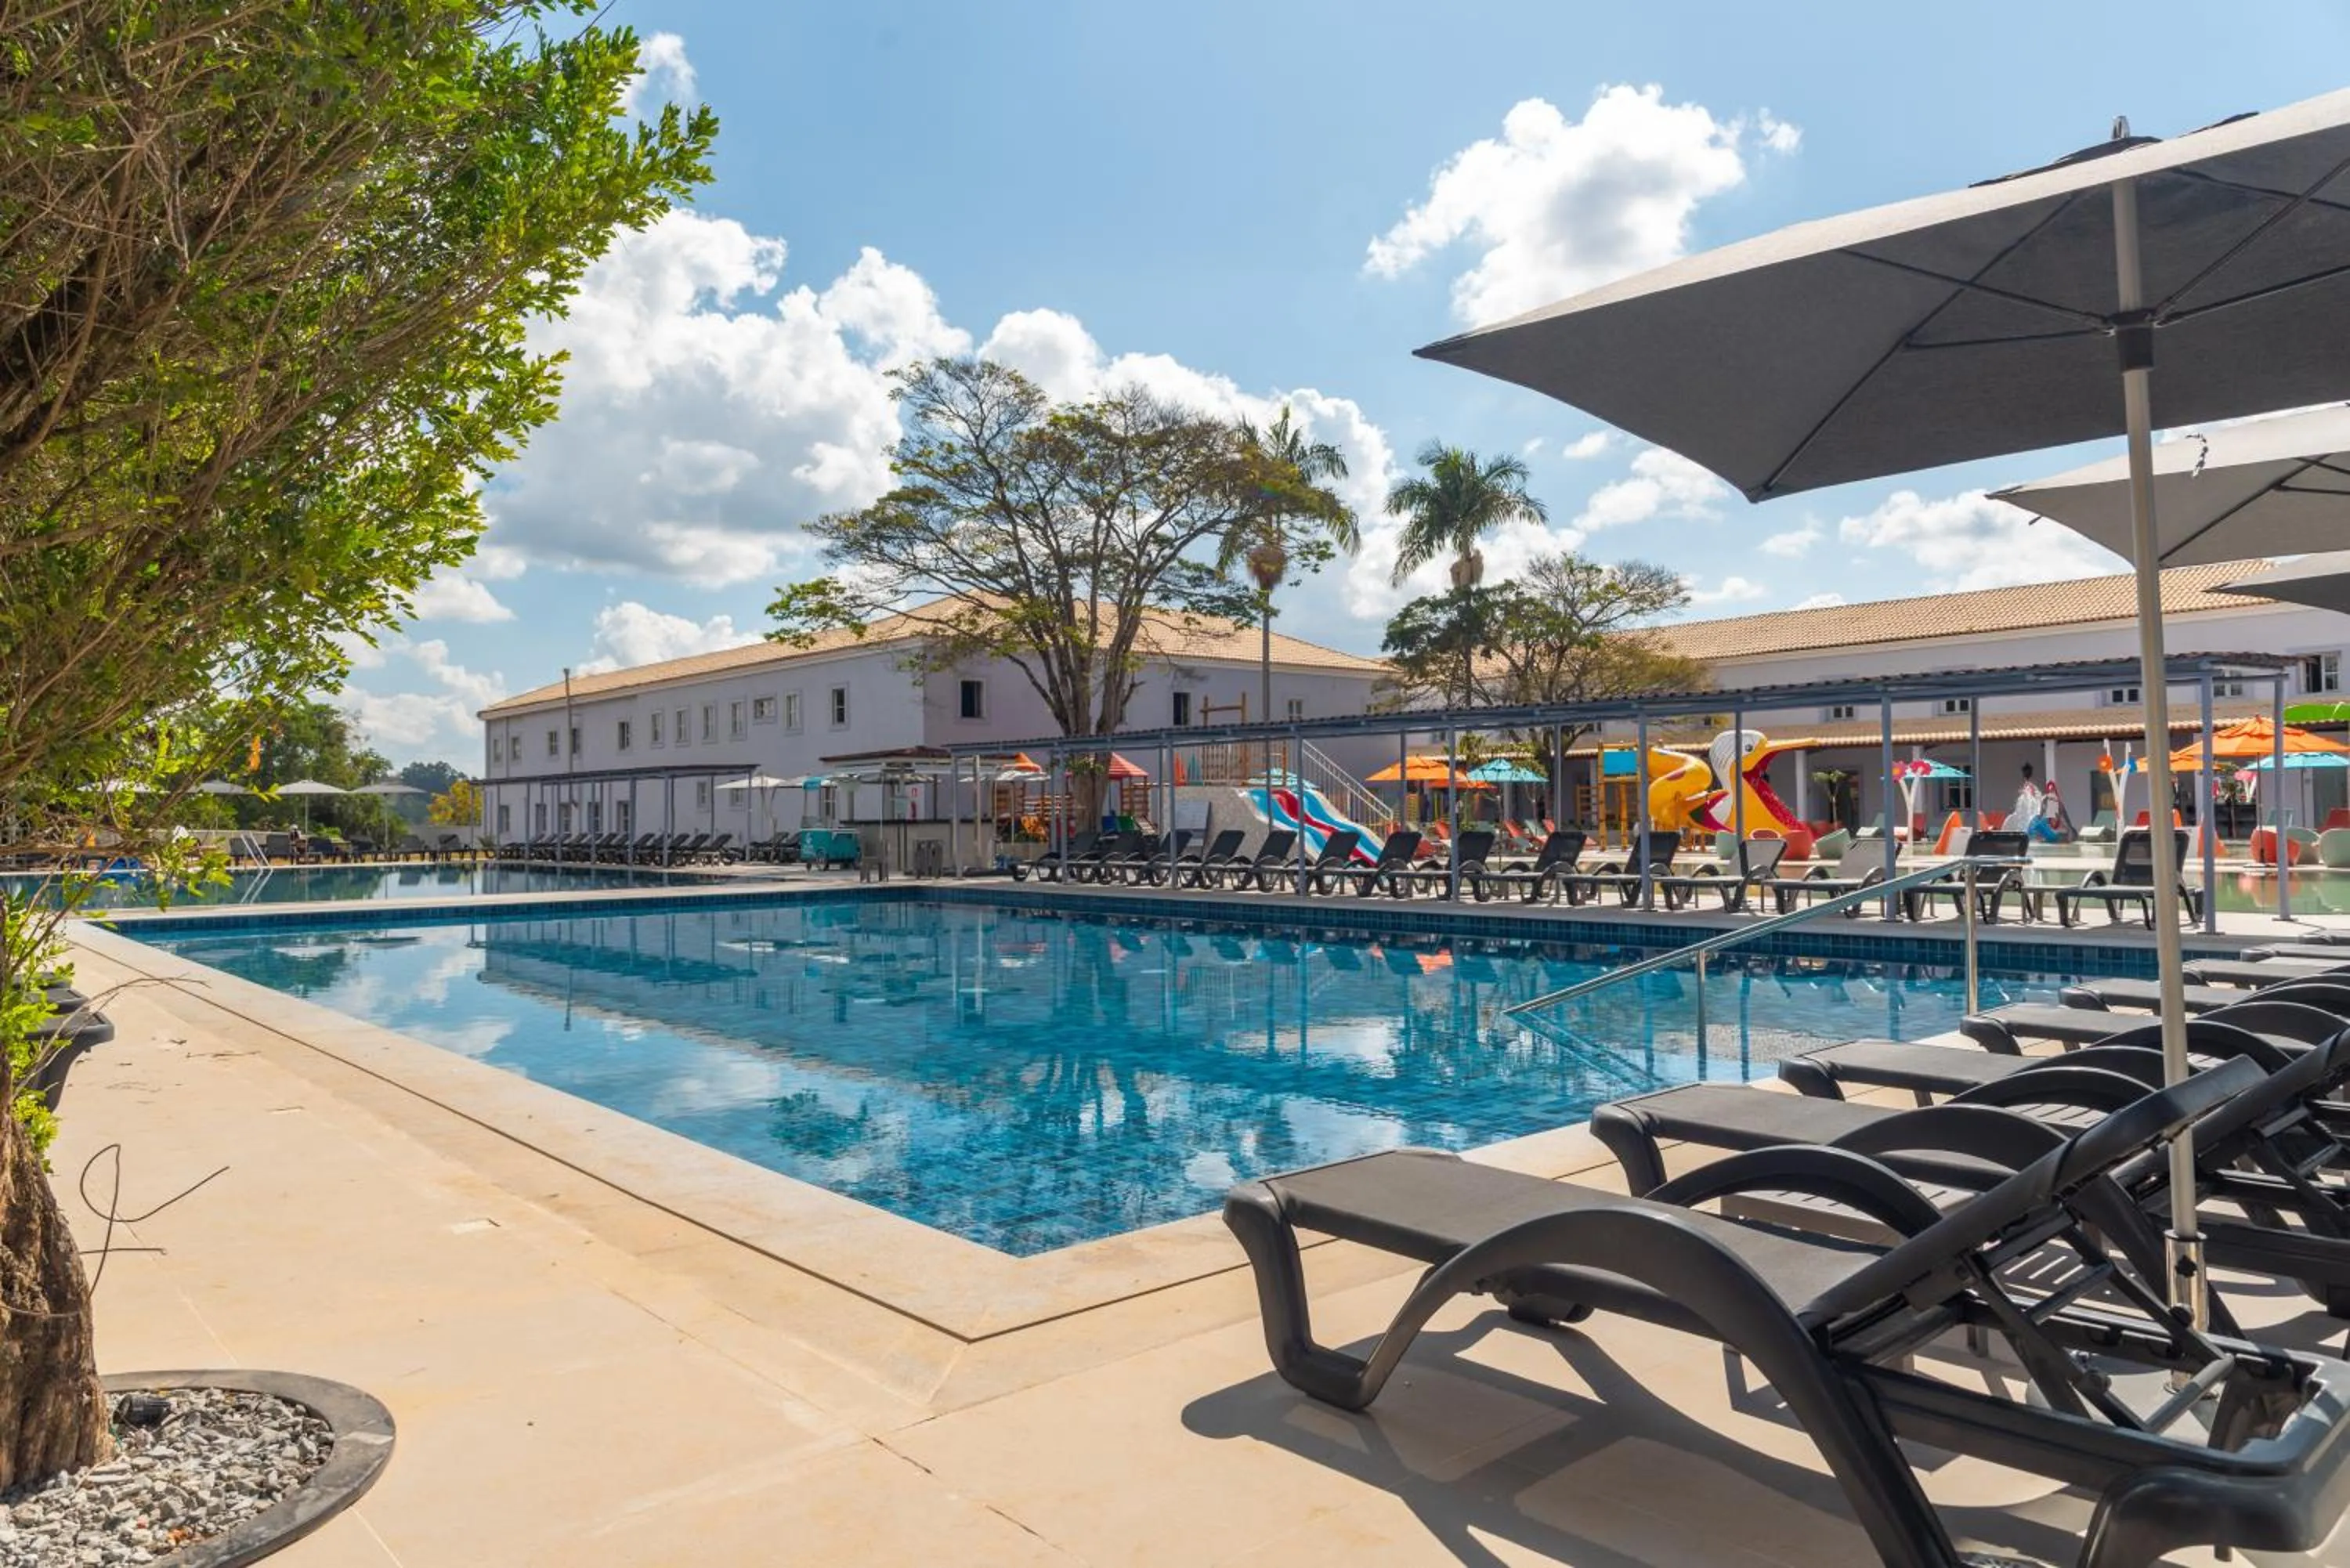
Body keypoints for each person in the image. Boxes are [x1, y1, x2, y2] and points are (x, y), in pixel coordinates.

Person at [2010, 763, 2043, 835]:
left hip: (2030, 817)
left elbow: (2033, 798)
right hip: (2031, 816)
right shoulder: (2031, 786)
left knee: (2027, 822)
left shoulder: (2029, 786)